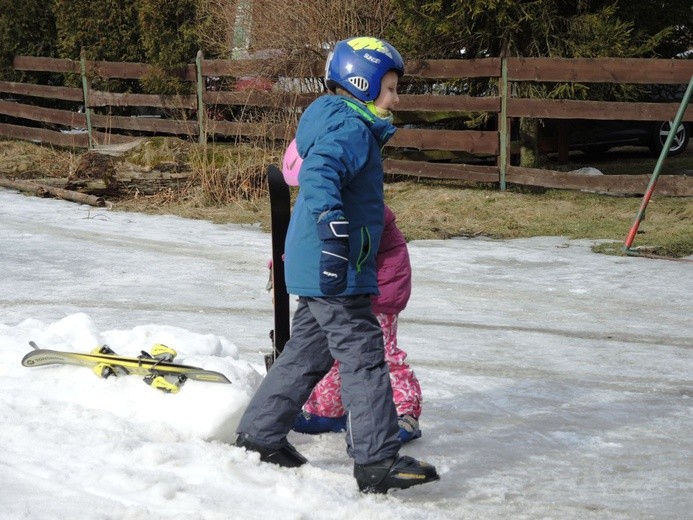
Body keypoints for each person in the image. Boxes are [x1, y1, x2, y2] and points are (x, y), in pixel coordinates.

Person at [235, 36, 439, 494]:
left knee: (307, 352)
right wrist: (331, 223)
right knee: (365, 356)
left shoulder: (343, 121)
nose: (396, 98)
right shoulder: (349, 129)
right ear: (361, 86)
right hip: (335, 263)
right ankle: (376, 459)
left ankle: (259, 435)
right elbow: (319, 170)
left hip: (327, 262)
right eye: (389, 89)